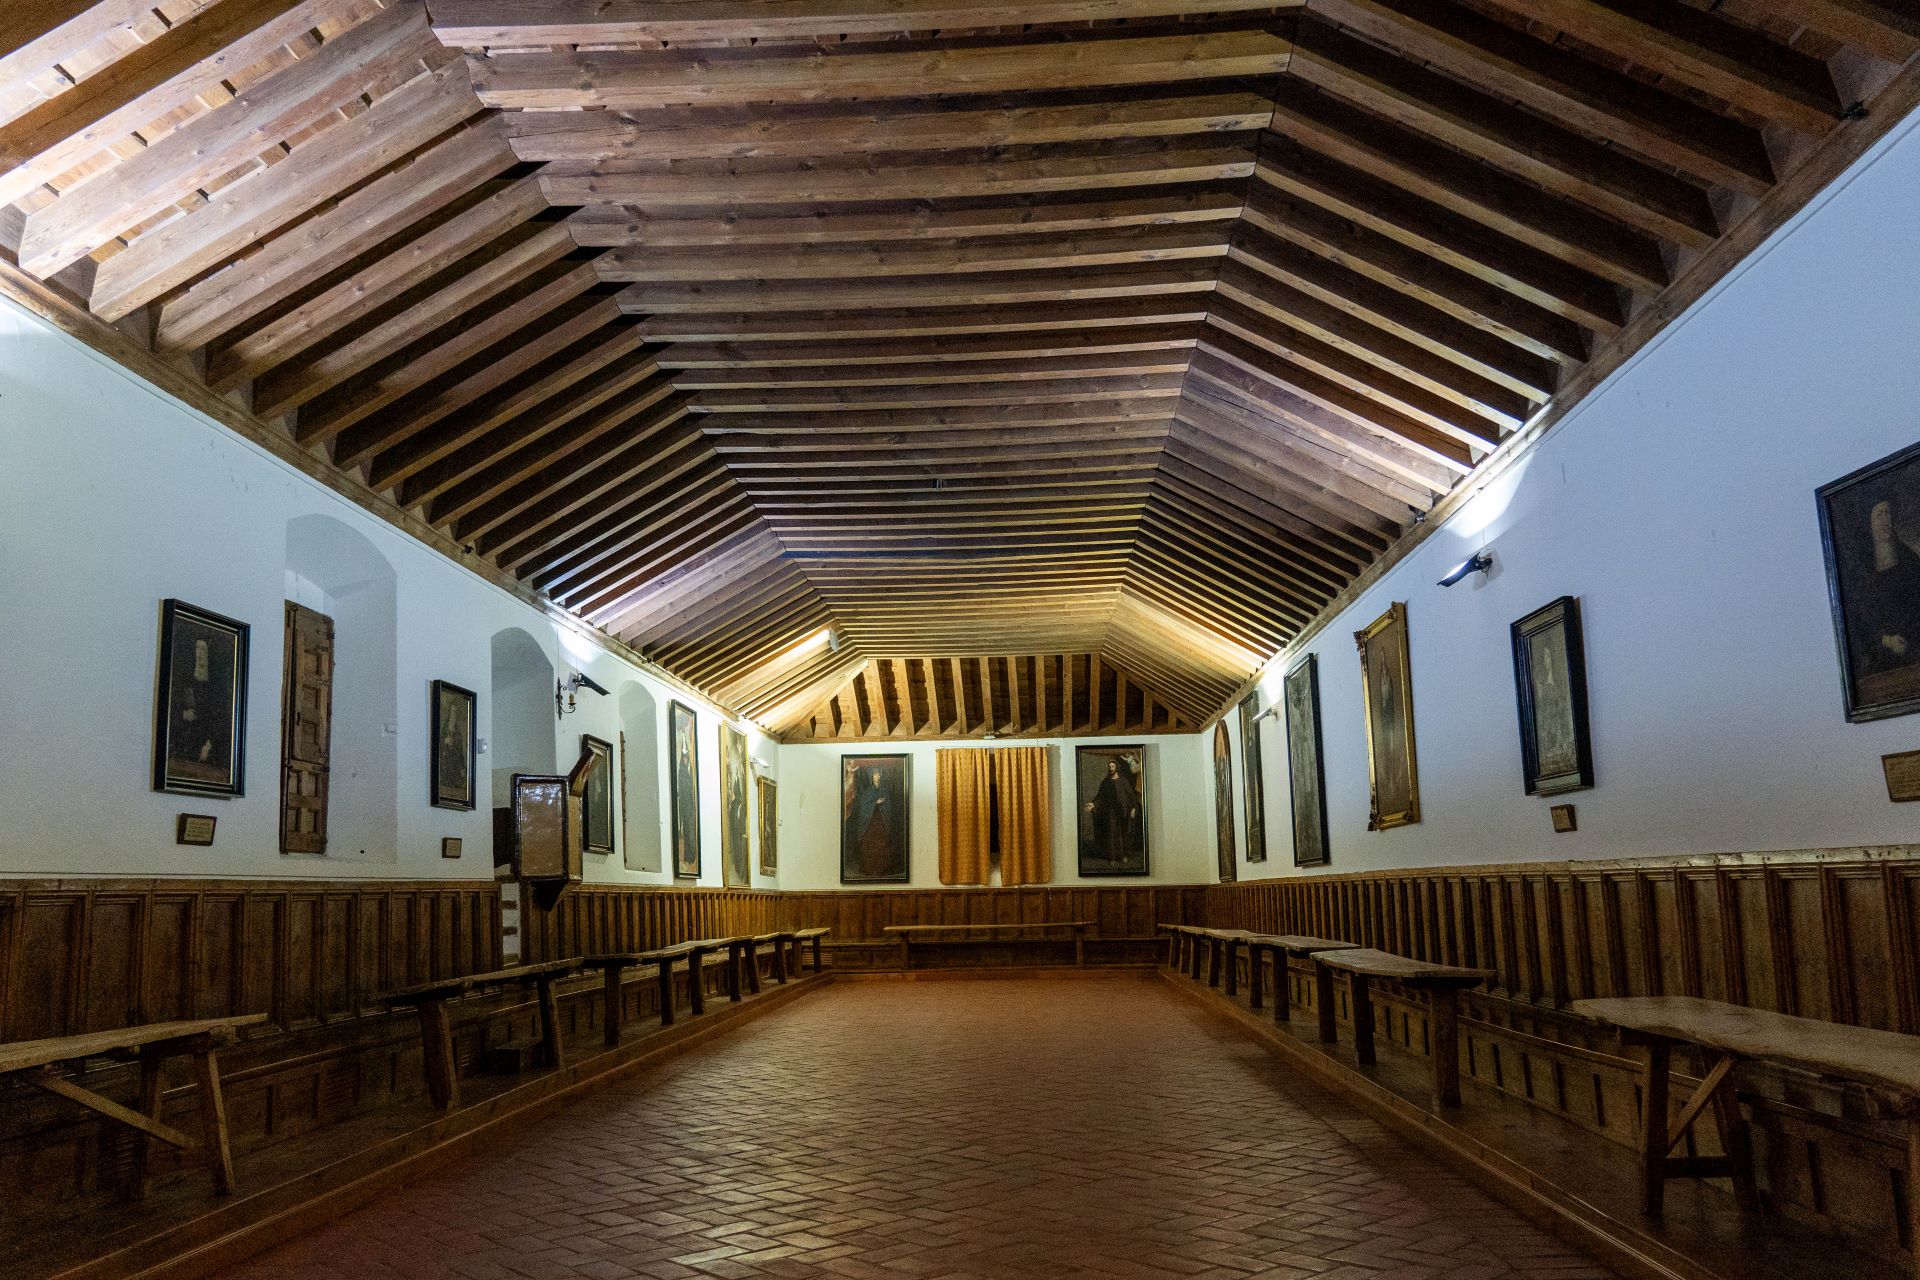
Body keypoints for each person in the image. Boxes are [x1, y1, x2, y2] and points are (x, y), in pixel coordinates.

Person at [845, 763, 898, 878]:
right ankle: (870, 869)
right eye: (875, 774)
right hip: (869, 823)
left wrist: (883, 804)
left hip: (883, 823)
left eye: (879, 774)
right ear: (872, 776)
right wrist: (875, 803)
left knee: (883, 844)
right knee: (869, 845)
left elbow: (889, 805)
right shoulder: (868, 792)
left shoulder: (885, 790)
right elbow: (864, 806)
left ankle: (882, 870)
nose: (878, 777)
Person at [1084, 757, 1139, 863]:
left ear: (1116, 767)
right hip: (1111, 813)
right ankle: (1112, 857)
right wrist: (1093, 804)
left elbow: (1131, 796)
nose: (1111, 768)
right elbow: (1100, 797)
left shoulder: (1123, 781)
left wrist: (1133, 808)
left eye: (1113, 766)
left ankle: (1123, 855)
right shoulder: (1106, 782)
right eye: (1109, 767)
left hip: (1123, 812)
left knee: (1123, 833)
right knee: (1111, 833)